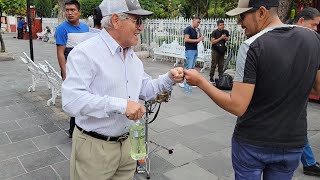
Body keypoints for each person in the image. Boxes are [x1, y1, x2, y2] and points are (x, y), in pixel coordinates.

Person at [184, 0, 320, 179]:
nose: (240, 23)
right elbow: (317, 89)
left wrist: (201, 82)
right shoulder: (313, 39)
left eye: (243, 16)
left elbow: (237, 106)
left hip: (253, 143)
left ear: (261, 12)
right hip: (292, 142)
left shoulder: (252, 46)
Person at [61, 0, 184, 179]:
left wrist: (169, 78)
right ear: (116, 20)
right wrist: (121, 105)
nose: (141, 28)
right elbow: (72, 101)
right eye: (137, 21)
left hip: (127, 145)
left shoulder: (132, 57)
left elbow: (145, 89)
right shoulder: (85, 53)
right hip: (94, 148)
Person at [55, 0, 89, 138]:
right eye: (67, 10)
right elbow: (60, 53)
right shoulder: (62, 29)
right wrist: (65, 73)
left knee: (85, 98)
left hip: (85, 70)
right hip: (71, 71)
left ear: (79, 12)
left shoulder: (86, 28)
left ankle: (84, 127)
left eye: (73, 10)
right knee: (75, 100)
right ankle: (73, 131)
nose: (69, 13)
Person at [293, 7, 320, 177]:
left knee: (297, 125)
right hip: (289, 91)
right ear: (301, 21)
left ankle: (309, 161)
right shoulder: (288, 37)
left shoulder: (309, 40)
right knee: (297, 126)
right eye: (314, 24)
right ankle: (309, 162)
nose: (316, 28)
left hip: (299, 90)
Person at [179, 16, 204, 88]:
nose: (198, 24)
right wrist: (197, 40)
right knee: (188, 67)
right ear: (193, 21)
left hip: (195, 49)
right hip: (189, 50)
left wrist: (200, 38)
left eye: (199, 22)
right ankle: (183, 82)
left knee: (192, 67)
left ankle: (190, 82)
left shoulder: (196, 30)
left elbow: (197, 39)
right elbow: (186, 39)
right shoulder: (188, 29)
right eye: (198, 22)